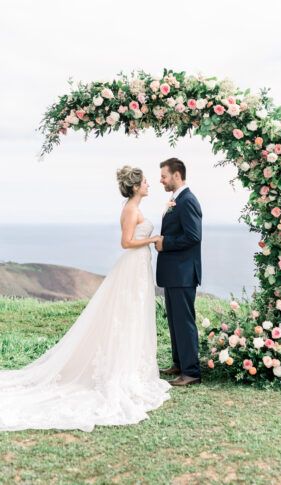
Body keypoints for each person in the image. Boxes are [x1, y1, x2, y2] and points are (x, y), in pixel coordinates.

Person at [0, 166, 171, 432]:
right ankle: (120, 372)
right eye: (146, 182)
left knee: (135, 316)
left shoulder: (136, 207)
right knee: (126, 315)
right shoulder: (129, 209)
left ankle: (133, 368)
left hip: (140, 267)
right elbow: (125, 242)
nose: (150, 185)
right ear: (136, 186)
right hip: (132, 266)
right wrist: (154, 238)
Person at [155, 158, 202, 386]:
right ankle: (179, 364)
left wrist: (166, 243)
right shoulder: (176, 200)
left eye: (164, 175)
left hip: (183, 273)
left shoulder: (187, 201)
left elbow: (193, 236)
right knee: (174, 321)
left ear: (176, 175)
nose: (161, 180)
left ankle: (191, 372)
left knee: (184, 322)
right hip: (174, 273)